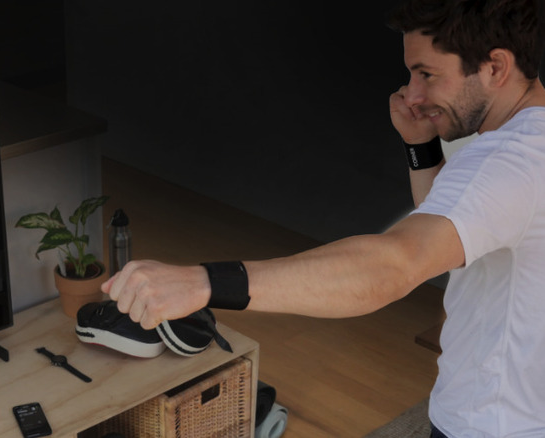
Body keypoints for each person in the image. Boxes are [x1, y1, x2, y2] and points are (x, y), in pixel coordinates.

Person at [102, 0, 545, 436]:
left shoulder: (505, 163)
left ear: (495, 68)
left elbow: (393, 265)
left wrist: (203, 283)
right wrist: (421, 148)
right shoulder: (531, 143)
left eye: (426, 73)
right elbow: (449, 239)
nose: (410, 93)